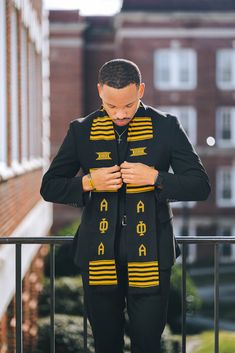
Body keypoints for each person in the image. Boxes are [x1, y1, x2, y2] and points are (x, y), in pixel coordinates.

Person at [40, 59, 210, 353]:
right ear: (99, 93)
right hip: (97, 256)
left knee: (147, 346)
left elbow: (199, 184)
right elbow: (49, 186)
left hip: (153, 255)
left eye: (129, 105)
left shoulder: (167, 127)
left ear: (141, 90)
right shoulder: (81, 131)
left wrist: (156, 177)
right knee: (106, 345)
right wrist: (89, 182)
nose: (120, 114)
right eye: (111, 105)